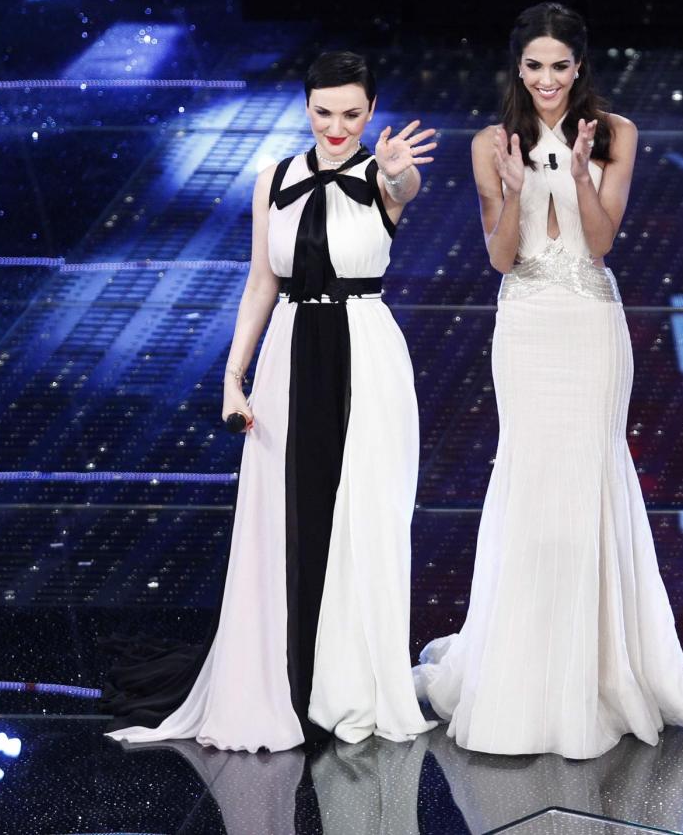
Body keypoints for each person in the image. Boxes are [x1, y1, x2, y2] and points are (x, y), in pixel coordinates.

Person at [104, 51, 439, 751]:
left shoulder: (383, 176)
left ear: (372, 111)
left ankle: (349, 684)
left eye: (352, 114)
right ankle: (284, 679)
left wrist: (395, 170)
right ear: (306, 107)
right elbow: (261, 281)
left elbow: (403, 186)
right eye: (324, 112)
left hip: (367, 353)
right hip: (289, 351)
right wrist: (233, 375)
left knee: (362, 515)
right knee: (286, 516)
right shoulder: (273, 180)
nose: (337, 127)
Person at [415, 2, 683, 760]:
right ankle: (521, 667)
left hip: (589, 322)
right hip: (525, 324)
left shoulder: (616, 135)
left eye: (560, 66)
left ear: (579, 67)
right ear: (519, 69)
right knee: (531, 481)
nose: (547, 80)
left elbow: (603, 239)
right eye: (535, 66)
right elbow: (500, 256)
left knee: (588, 478)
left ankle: (597, 670)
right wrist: (516, 188)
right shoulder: (490, 145)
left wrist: (579, 175)